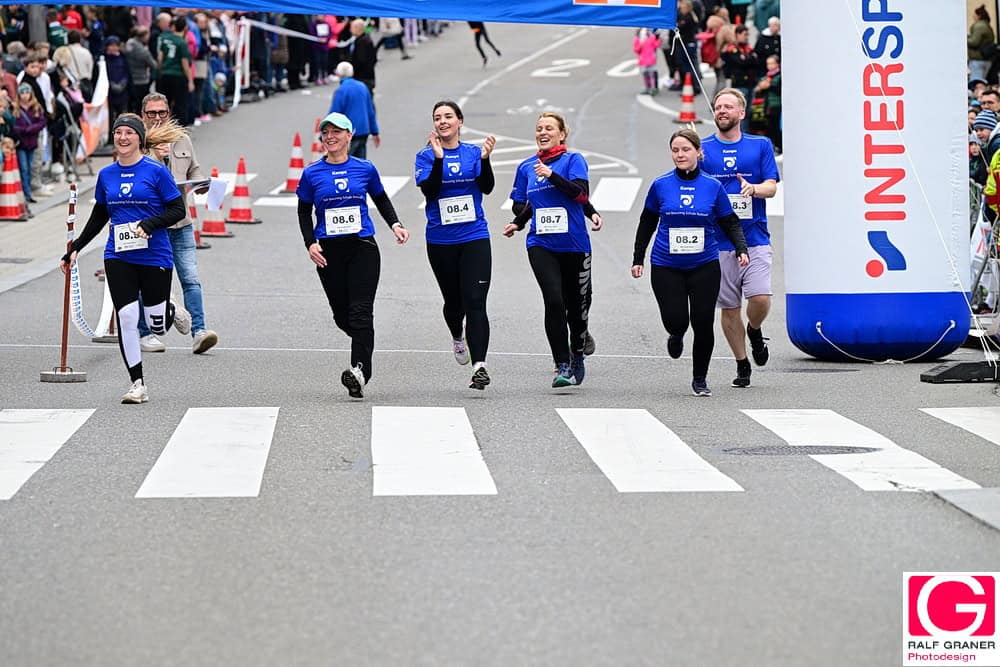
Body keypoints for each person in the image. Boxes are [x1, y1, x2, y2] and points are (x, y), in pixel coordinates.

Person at [59, 113, 187, 403]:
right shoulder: (106, 175)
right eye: (118, 133)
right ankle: (137, 384)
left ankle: (170, 309)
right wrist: (75, 248)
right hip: (118, 255)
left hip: (154, 255)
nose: (123, 137)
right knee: (127, 317)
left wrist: (150, 224)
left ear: (139, 139)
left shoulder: (156, 172)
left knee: (156, 325)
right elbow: (100, 215)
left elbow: (177, 210)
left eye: (129, 133)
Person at [296, 112, 409, 399]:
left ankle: (359, 371)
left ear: (349, 135)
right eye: (326, 132)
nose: (330, 137)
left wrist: (395, 224)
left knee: (361, 312)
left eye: (336, 132)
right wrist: (310, 243)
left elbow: (380, 198)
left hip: (362, 247)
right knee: (342, 316)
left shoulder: (365, 168)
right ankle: (363, 340)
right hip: (329, 252)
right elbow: (303, 211)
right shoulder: (311, 173)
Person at [631, 128, 749, 397]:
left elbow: (729, 221)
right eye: (675, 150)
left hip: (704, 264)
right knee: (676, 320)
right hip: (666, 264)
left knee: (703, 322)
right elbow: (647, 222)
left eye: (685, 149)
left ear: (698, 152)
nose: (680, 154)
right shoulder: (661, 184)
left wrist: (741, 248)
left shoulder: (712, 186)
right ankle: (676, 333)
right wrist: (638, 258)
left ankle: (700, 379)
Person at [503, 112, 602, 388]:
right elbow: (527, 204)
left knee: (578, 306)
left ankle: (577, 352)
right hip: (541, 243)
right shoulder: (527, 167)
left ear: (562, 134)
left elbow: (580, 194)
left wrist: (590, 210)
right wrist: (518, 222)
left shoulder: (573, 161)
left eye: (549, 128)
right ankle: (562, 364)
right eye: (539, 128)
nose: (543, 132)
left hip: (574, 243)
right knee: (554, 301)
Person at [701, 88, 780, 388]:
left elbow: (772, 186)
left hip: (755, 237)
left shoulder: (760, 145)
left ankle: (755, 330)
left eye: (728, 106)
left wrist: (753, 189)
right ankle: (742, 362)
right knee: (729, 307)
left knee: (760, 297)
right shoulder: (704, 148)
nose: (722, 110)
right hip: (718, 242)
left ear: (741, 113)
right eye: (718, 106)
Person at [415, 101, 496, 390]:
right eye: (437, 117)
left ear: (460, 121)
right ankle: (457, 336)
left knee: (475, 301)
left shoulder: (473, 153)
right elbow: (430, 190)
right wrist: (439, 160)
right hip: (441, 240)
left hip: (474, 235)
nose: (443, 121)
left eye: (448, 116)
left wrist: (485, 160)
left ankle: (479, 366)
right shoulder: (425, 156)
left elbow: (487, 187)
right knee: (454, 303)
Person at [136, 92, 219, 355]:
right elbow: (137, 178)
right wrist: (157, 156)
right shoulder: (138, 142)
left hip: (181, 222)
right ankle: (145, 332)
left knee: (191, 278)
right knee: (148, 279)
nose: (158, 118)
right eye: (152, 113)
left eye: (162, 112)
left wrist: (201, 182)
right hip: (151, 225)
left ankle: (200, 332)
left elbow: (193, 168)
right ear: (143, 115)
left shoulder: (181, 138)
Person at [328, 61, 378, 159]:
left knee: (345, 161)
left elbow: (335, 114)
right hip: (363, 130)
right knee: (360, 162)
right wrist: (375, 131)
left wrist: (325, 135)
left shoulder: (341, 91)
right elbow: (370, 111)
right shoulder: (363, 87)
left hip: (349, 132)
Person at [11, 83, 46, 203]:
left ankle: (28, 192)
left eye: (27, 92)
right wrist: (24, 130)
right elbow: (13, 125)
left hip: (32, 142)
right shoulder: (15, 108)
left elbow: (42, 122)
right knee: (24, 169)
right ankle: (25, 194)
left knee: (31, 168)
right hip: (21, 143)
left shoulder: (36, 107)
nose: (25, 95)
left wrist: (30, 129)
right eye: (22, 93)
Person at [633, 28, 662, 95]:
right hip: (643, 60)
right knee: (645, 75)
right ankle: (648, 88)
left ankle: (653, 88)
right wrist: (641, 44)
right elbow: (636, 50)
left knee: (651, 75)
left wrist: (659, 40)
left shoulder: (651, 37)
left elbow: (655, 45)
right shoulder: (637, 39)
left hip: (651, 60)